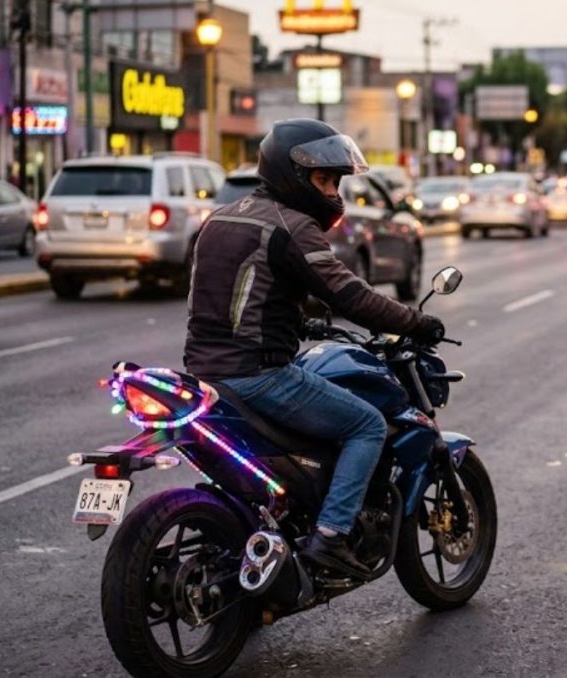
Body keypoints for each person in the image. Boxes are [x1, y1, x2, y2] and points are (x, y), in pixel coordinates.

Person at [184, 119, 445, 580]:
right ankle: (330, 537)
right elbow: (350, 296)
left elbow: (230, 296)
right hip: (258, 375)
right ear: (293, 176)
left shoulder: (221, 217)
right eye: (324, 180)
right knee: (367, 424)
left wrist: (293, 321)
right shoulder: (292, 225)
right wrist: (416, 322)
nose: (331, 192)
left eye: (335, 182)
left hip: (203, 375)